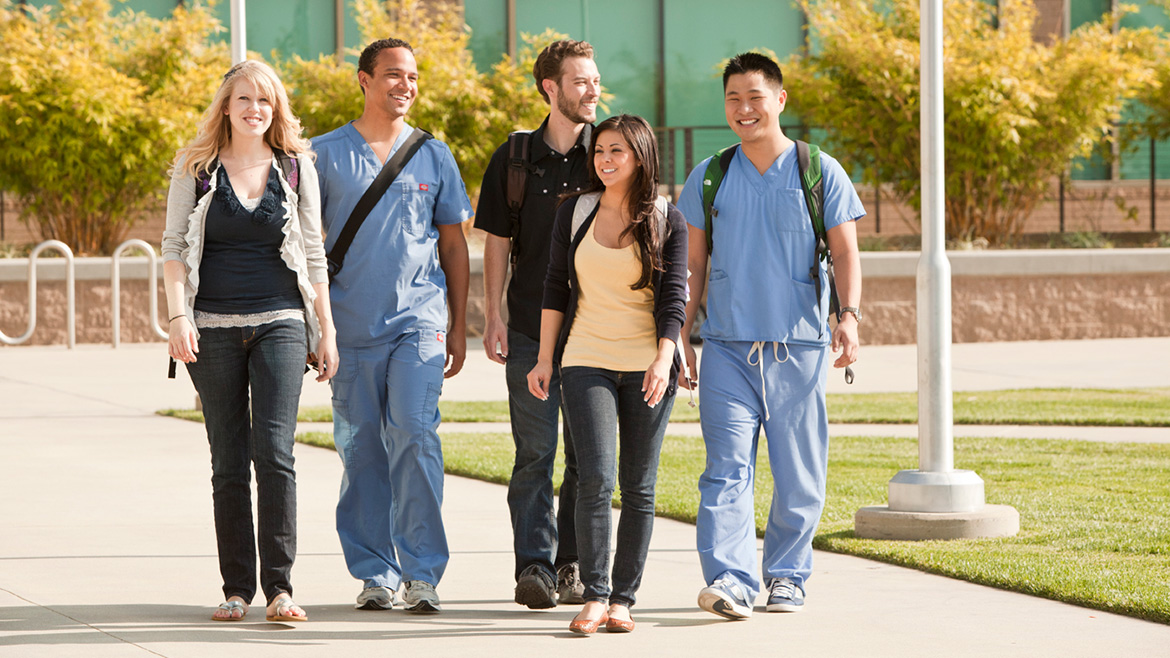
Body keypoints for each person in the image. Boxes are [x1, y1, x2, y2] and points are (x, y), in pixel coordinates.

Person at [677, 52, 863, 619]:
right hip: (728, 347)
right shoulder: (710, 175)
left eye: (754, 97)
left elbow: (847, 250)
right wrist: (680, 334)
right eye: (733, 98)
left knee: (798, 472)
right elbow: (692, 266)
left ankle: (787, 575)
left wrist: (849, 317)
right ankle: (732, 581)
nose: (743, 108)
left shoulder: (818, 169)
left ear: (779, 100)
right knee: (725, 470)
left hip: (799, 346)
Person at [162, 59, 337, 623]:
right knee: (229, 461)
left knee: (276, 453)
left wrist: (326, 330)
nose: (255, 109)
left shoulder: (294, 166)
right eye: (244, 99)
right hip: (209, 324)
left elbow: (313, 254)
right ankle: (236, 588)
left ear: (276, 108)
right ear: (226, 106)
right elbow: (171, 249)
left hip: (281, 321)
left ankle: (280, 588)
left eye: (265, 100)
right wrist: (177, 318)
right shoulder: (197, 167)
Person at [312, 38, 472, 614]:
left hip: (419, 322)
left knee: (415, 433)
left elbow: (453, 244)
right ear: (364, 80)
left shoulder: (434, 154)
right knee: (361, 450)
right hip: (349, 326)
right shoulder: (321, 155)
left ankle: (422, 573)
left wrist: (457, 327)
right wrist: (317, 327)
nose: (405, 85)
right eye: (393, 75)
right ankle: (375, 572)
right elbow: (307, 247)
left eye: (413, 77)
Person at [528, 114, 688, 634]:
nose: (605, 160)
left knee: (638, 485)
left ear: (640, 155)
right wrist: (545, 359)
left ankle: (624, 599)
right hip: (585, 358)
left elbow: (674, 299)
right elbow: (554, 287)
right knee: (594, 478)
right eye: (600, 151)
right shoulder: (574, 212)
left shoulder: (668, 218)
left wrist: (664, 358)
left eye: (617, 151)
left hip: (647, 364)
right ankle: (594, 594)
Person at [474, 39, 600, 609]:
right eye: (581, 81)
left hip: (600, 332)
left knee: (588, 456)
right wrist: (493, 314)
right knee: (534, 453)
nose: (593, 90)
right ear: (551, 88)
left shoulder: (611, 149)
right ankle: (534, 567)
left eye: (596, 80)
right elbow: (497, 242)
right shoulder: (515, 158)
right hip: (528, 329)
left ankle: (572, 564)